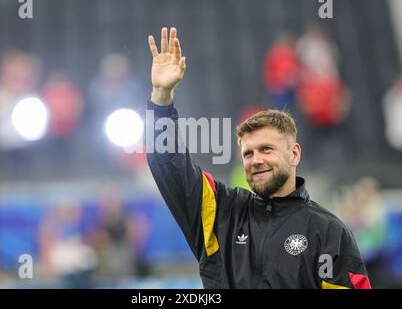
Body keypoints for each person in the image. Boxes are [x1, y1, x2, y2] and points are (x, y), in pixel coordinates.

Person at [146, 27, 370, 289]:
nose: (256, 160)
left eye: (267, 149)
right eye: (248, 153)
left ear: (294, 153)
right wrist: (161, 99)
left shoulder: (329, 232)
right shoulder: (221, 212)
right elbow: (168, 164)